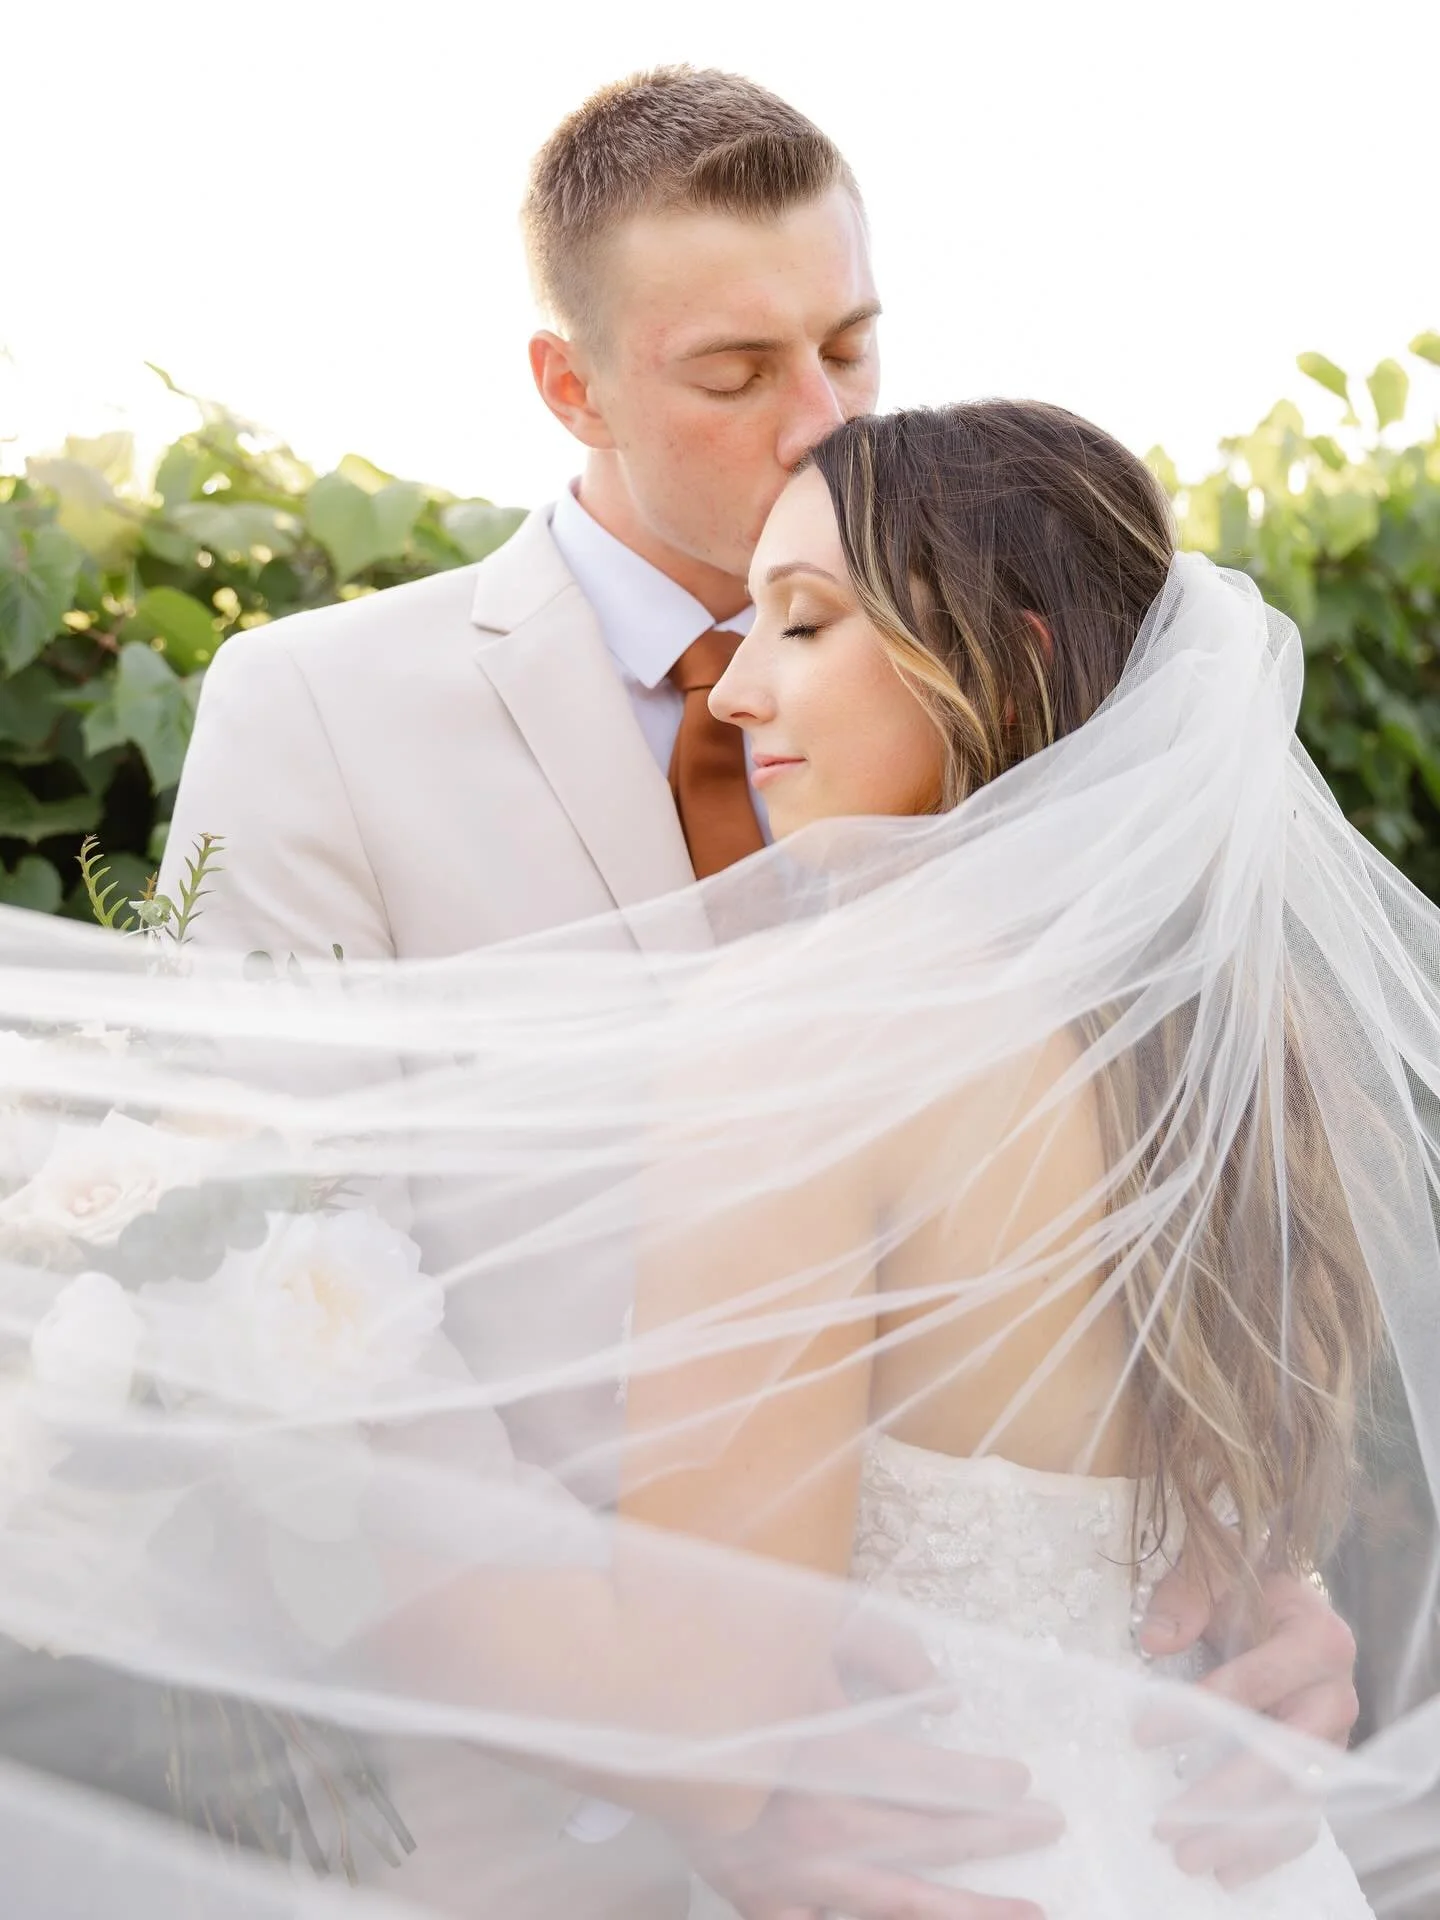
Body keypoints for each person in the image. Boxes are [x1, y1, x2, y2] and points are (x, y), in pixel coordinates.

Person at [158, 66, 1360, 1919]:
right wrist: (700, 1767)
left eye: (854, 351)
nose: (821, 423)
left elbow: (1150, 1273)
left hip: (1053, 1816)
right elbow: (272, 1304)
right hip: (530, 1840)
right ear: (574, 387)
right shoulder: (316, 718)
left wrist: (1250, 1578)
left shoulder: (1079, 822)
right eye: (736, 375)